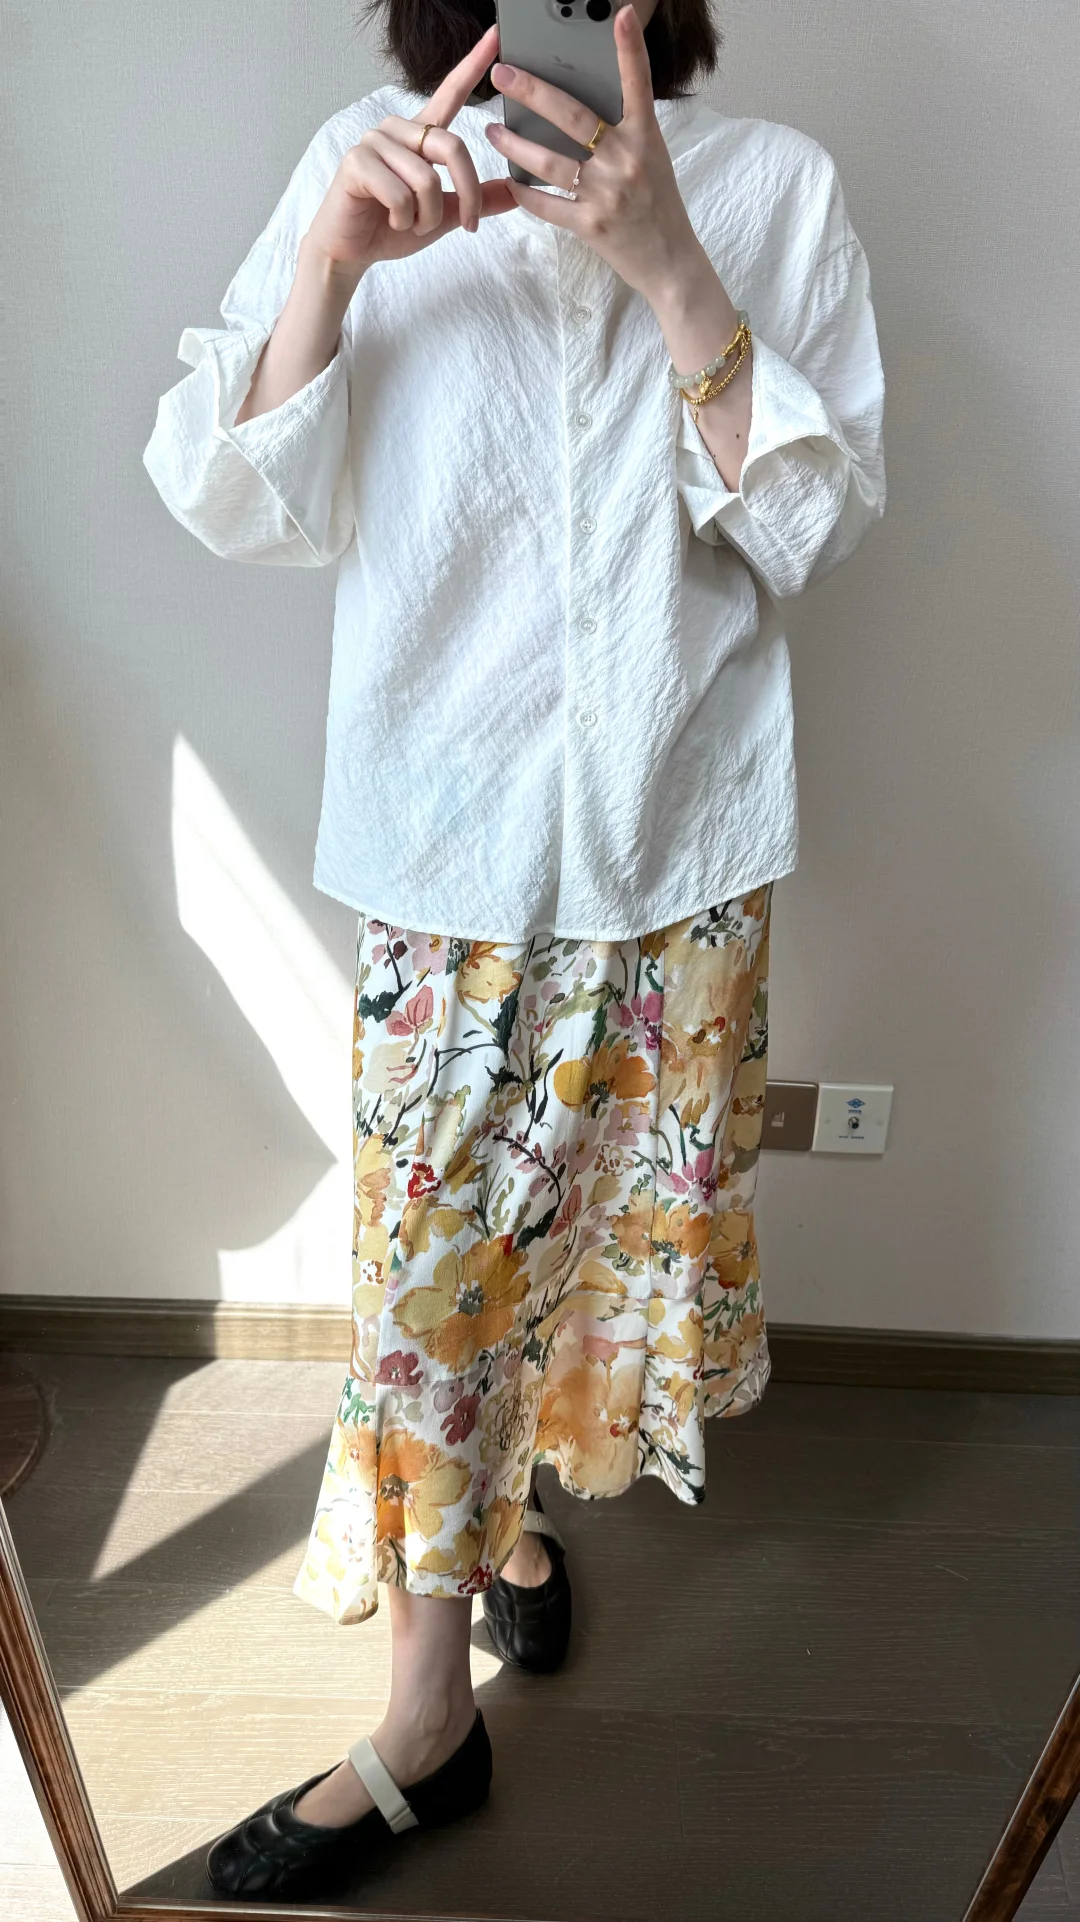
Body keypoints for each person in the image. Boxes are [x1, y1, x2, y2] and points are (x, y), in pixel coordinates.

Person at [143, 0, 885, 1898]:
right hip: (447, 852)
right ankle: (430, 1720)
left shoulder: (772, 189)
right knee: (432, 1285)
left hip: (678, 852)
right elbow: (232, 495)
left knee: (596, 1241)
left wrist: (671, 265)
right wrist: (332, 263)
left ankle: (513, 1531)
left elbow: (810, 525)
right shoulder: (366, 167)